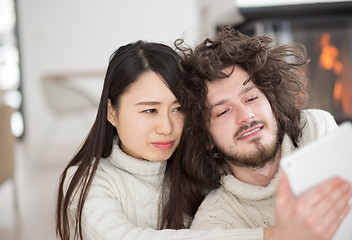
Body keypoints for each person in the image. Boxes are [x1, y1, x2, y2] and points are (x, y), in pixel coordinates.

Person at [56, 40, 267, 240]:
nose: (167, 128)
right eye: (150, 110)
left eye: (178, 109)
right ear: (111, 112)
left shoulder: (196, 165)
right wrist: (269, 235)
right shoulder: (88, 180)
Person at [165, 25, 352, 239]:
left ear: (272, 102)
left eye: (251, 98)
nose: (246, 116)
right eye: (223, 111)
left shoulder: (317, 131)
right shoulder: (214, 223)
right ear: (206, 138)